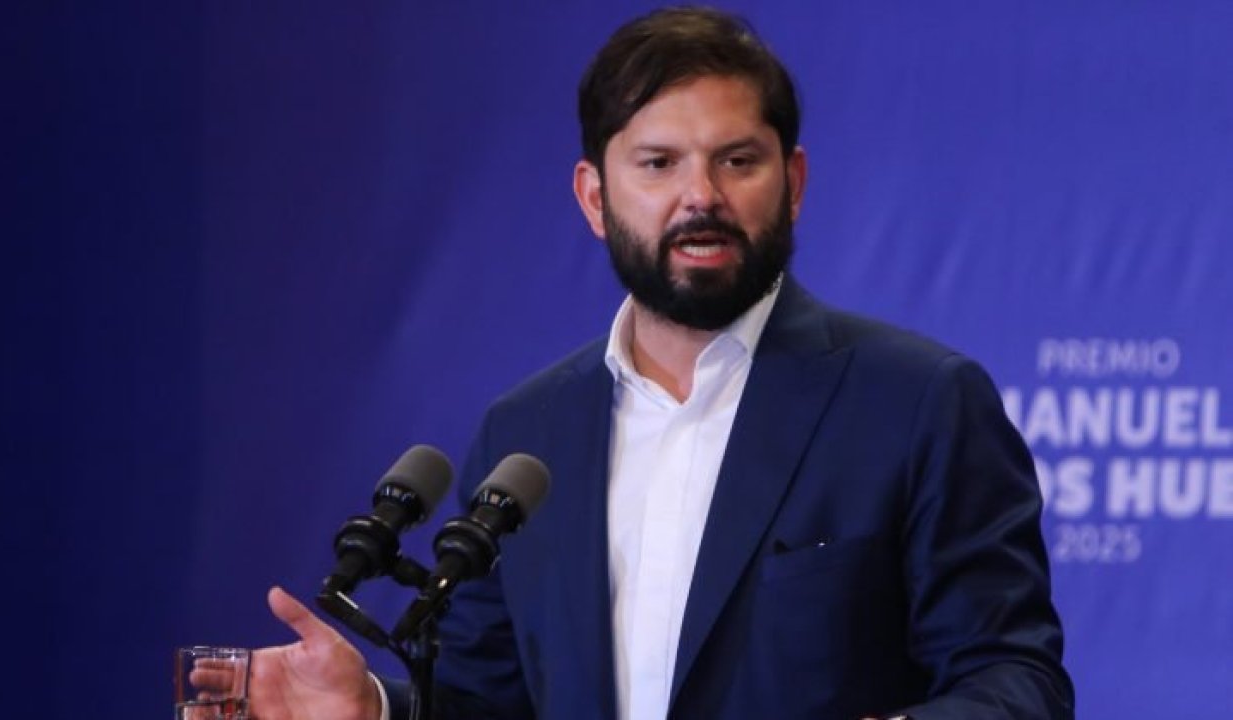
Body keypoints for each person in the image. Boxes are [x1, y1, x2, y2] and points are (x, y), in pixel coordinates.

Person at [248, 8, 1074, 719]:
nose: (701, 195)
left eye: (737, 160)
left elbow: (1015, 680)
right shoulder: (529, 432)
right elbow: (489, 700)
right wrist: (378, 706)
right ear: (594, 197)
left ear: (793, 183)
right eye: (658, 163)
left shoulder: (918, 403)